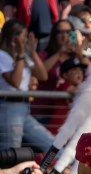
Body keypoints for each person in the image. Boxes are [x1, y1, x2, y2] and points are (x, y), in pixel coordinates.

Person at [0, 18, 54, 152]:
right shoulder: (2, 55)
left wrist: (33, 52)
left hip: (24, 108)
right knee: (10, 152)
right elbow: (15, 82)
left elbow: (42, 76)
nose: (26, 40)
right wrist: (19, 55)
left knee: (50, 144)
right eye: (24, 36)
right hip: (9, 107)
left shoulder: (24, 55)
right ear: (14, 37)